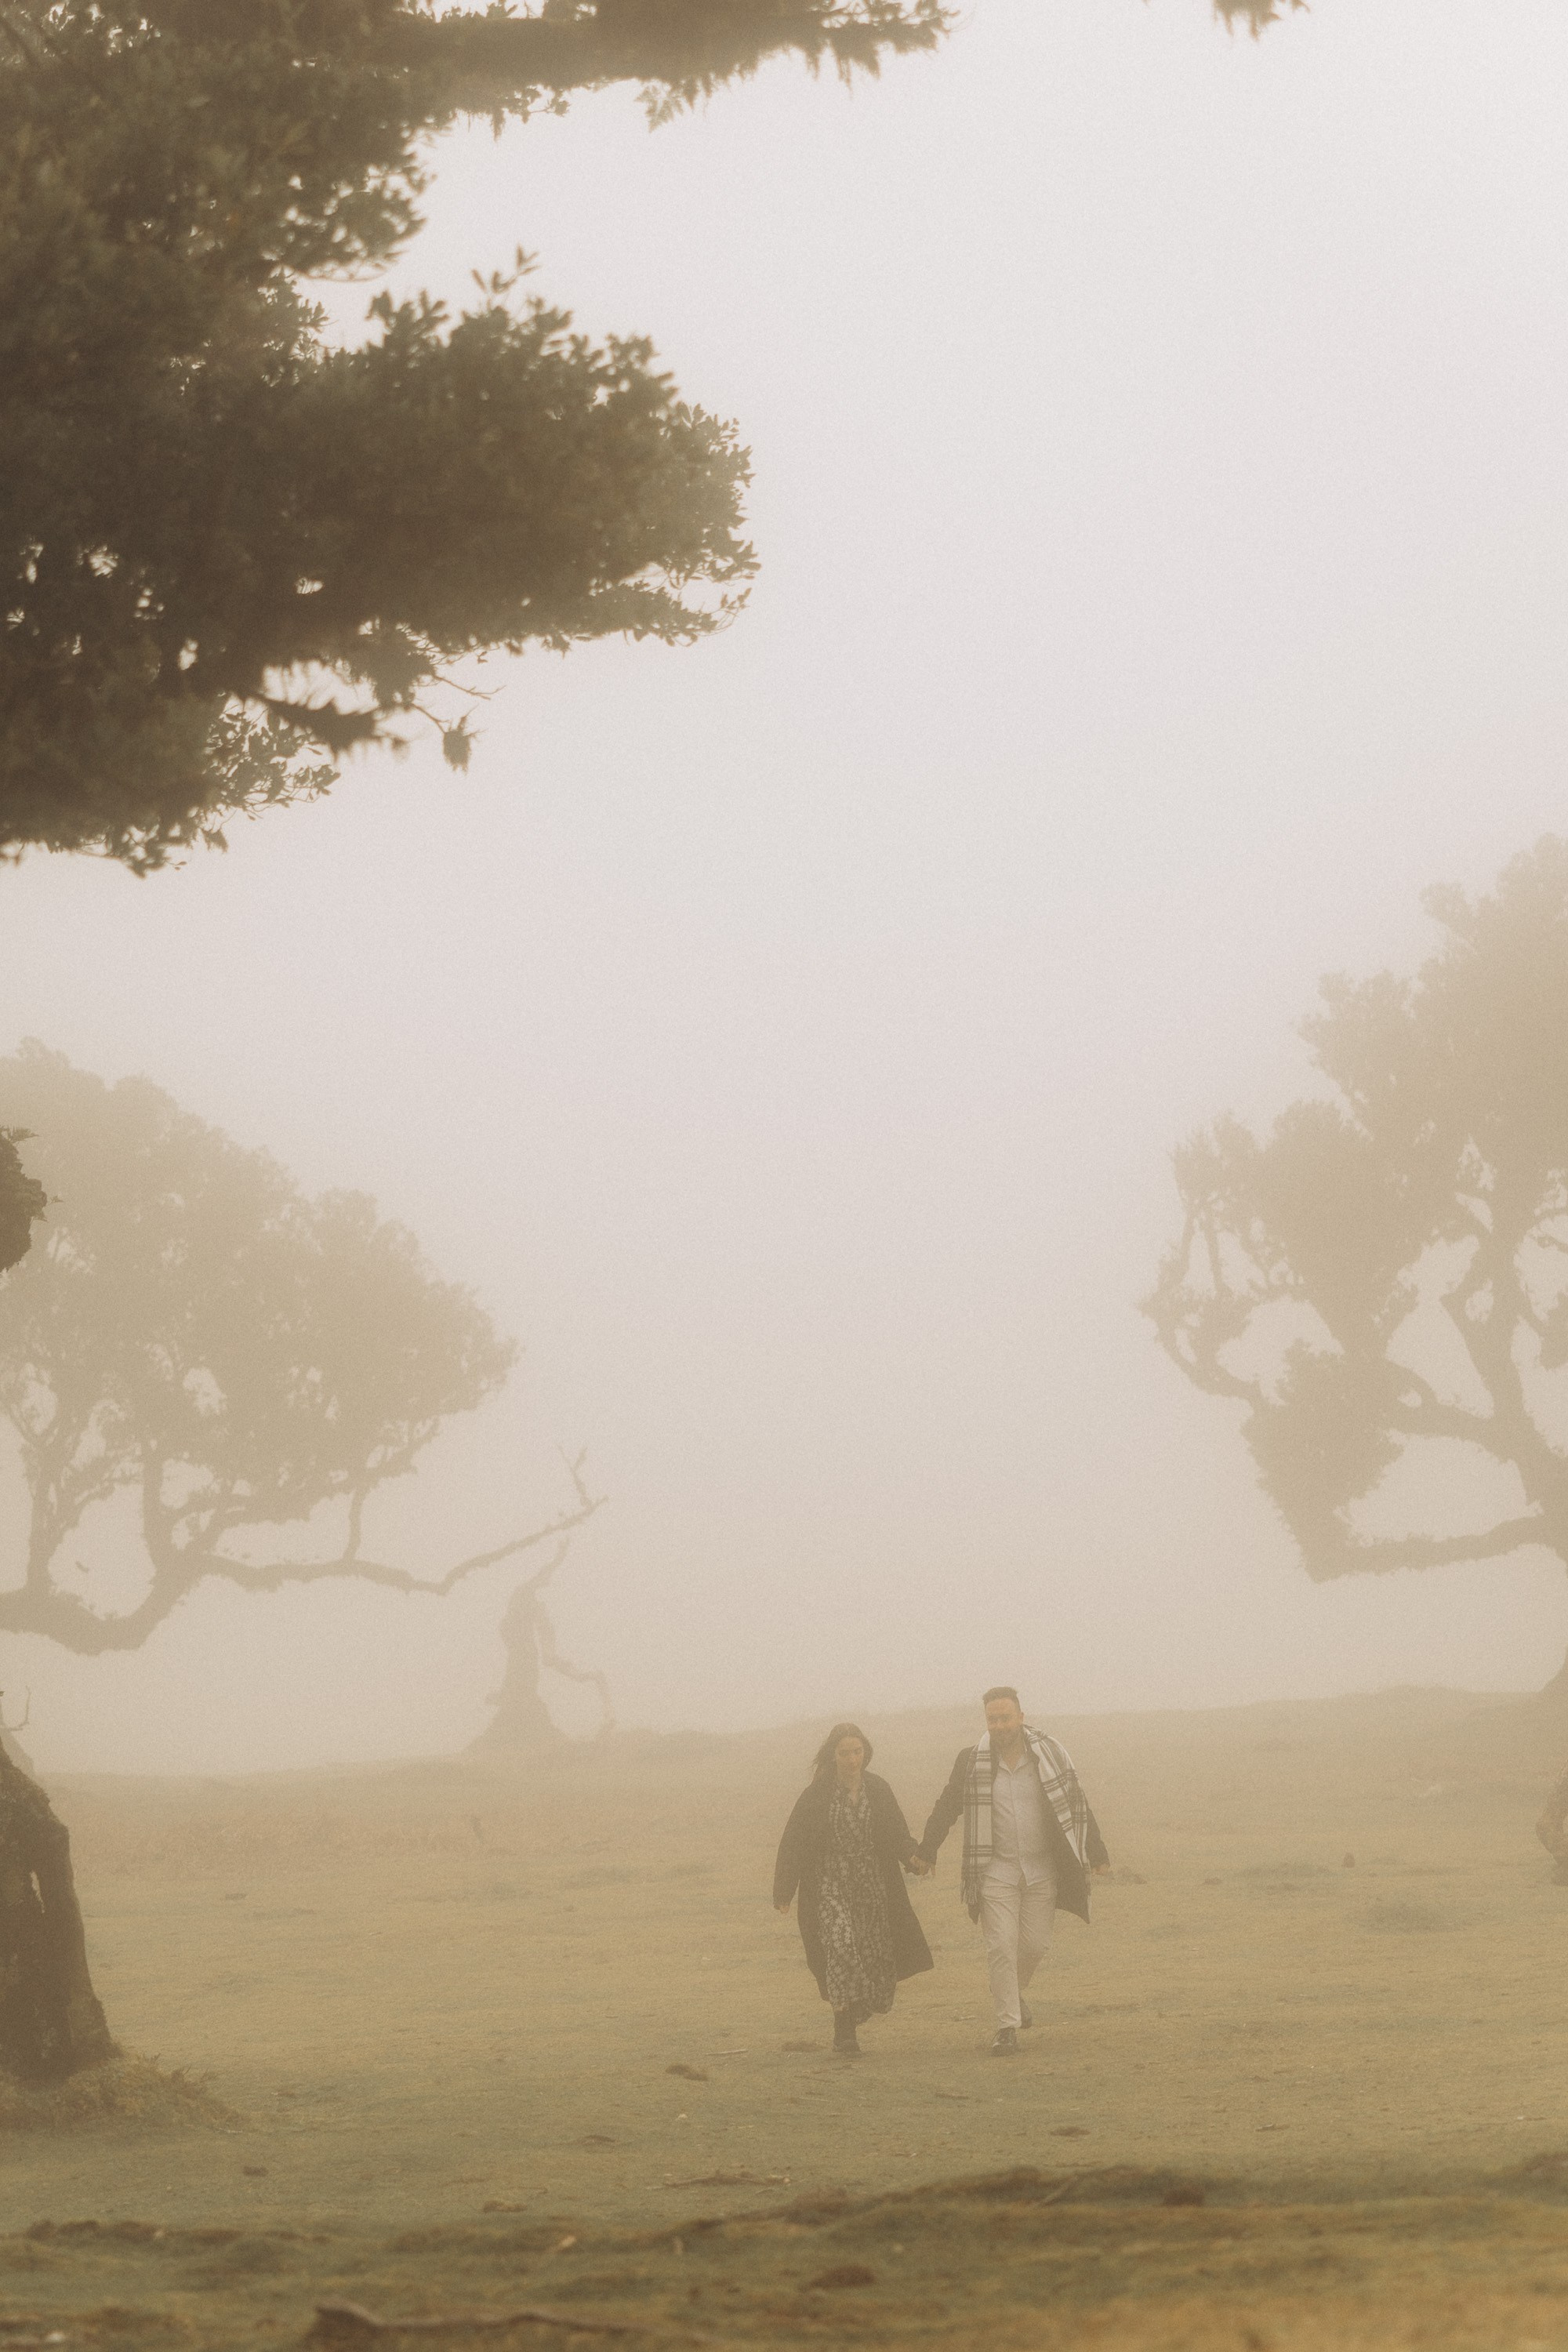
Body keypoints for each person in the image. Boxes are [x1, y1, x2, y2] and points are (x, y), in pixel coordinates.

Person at [916, 1686, 1110, 2057]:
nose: (1000, 1725)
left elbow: (1076, 1803)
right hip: (995, 1870)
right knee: (1001, 1947)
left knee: (1035, 1944)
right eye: (993, 1719)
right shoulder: (971, 1761)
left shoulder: (1049, 1756)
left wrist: (1096, 1851)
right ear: (986, 1722)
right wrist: (927, 1850)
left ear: (1021, 1717)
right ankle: (1007, 2026)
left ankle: (1012, 1994)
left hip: (1042, 1869)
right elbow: (948, 1806)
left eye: (1006, 1717)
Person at [773, 1722, 933, 2057]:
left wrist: (913, 1858)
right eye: (844, 1753)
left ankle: (853, 2012)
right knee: (840, 1947)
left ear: (866, 1752)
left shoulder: (877, 1789)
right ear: (833, 1756)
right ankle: (844, 2030)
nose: (851, 1759)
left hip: (872, 1883)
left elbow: (895, 1833)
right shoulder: (816, 1795)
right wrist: (784, 1891)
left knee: (872, 1955)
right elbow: (794, 1842)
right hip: (829, 1882)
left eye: (857, 1751)